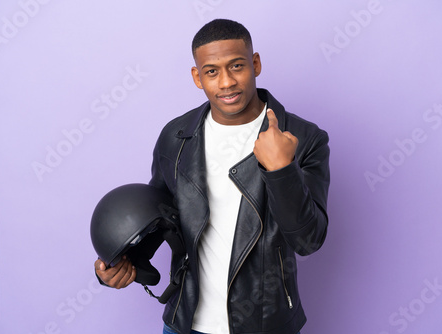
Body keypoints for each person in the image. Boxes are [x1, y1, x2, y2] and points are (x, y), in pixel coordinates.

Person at [94, 18, 330, 334]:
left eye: (237, 66)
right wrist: (124, 263)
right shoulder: (176, 137)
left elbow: (308, 240)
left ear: (255, 64)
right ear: (197, 77)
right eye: (212, 71)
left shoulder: (304, 138)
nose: (226, 82)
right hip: (184, 321)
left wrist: (281, 170)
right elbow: (161, 215)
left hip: (265, 325)